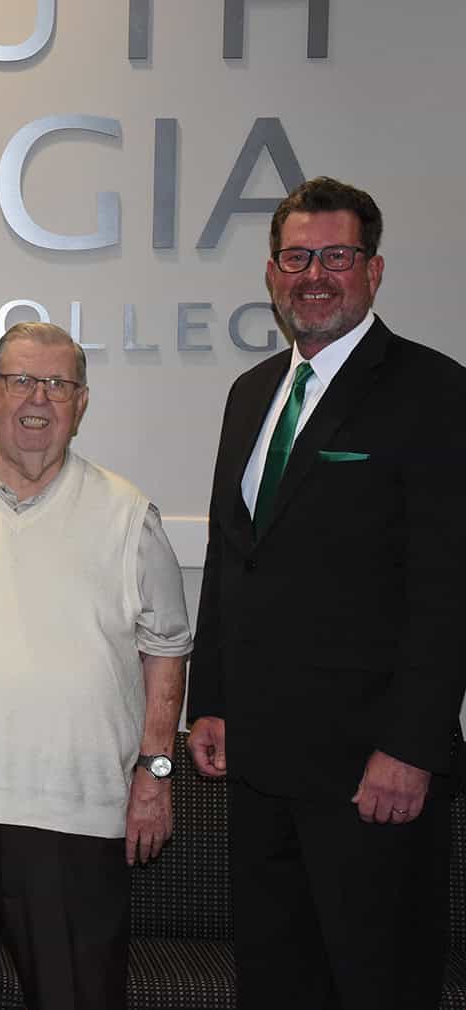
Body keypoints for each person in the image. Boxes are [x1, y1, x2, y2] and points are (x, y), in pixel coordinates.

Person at [187, 176, 466, 1009]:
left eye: (336, 256)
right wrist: (212, 699)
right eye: (296, 257)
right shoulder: (251, 395)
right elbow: (232, 556)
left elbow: (447, 586)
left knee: (376, 985)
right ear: (272, 275)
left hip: (372, 775)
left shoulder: (435, 393)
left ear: (373, 271)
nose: (315, 275)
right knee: (276, 983)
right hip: (262, 769)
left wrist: (411, 748)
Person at [0, 321, 192, 1010]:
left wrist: (156, 772)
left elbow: (167, 648)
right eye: (21, 380)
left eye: (58, 384)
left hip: (75, 822)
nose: (37, 398)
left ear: (81, 404)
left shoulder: (128, 514)